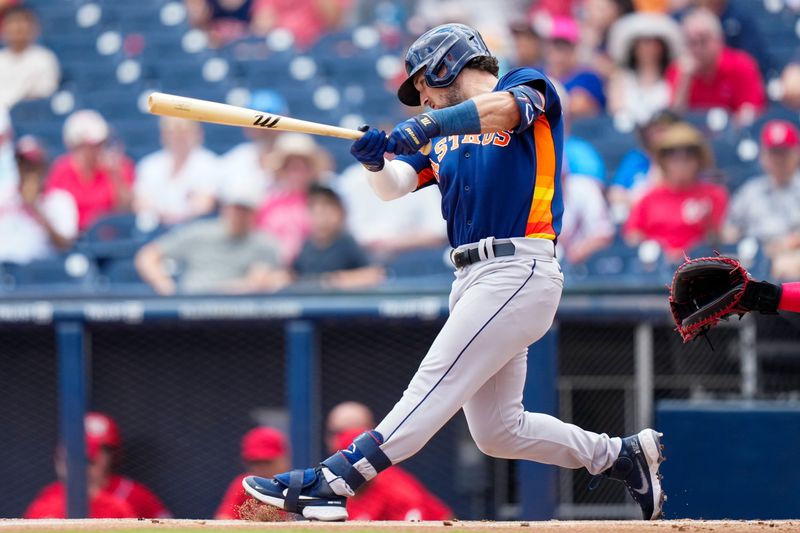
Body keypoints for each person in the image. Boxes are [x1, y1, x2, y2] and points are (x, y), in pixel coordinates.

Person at [243, 23, 666, 522]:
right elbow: (398, 184)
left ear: (449, 62)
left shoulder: (527, 87)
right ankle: (619, 455)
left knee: (434, 383)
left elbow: (502, 111)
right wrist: (376, 163)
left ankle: (335, 480)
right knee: (498, 431)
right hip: (469, 278)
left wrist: (423, 127)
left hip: (518, 268)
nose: (420, 95)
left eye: (423, 81)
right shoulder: (445, 136)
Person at [135, 176, 288, 295]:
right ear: (224, 209)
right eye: (235, 208)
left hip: (239, 315)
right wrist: (163, 284)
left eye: (244, 210)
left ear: (253, 213)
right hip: (189, 308)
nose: (238, 215)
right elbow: (148, 255)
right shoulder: (198, 232)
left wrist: (222, 291)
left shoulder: (264, 243)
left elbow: (258, 283)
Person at [25, 412, 169, 519]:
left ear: (111, 455)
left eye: (89, 459)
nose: (81, 466)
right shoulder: (50, 496)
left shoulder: (131, 495)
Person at [324, 402, 452, 521]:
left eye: (358, 434)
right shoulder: (326, 484)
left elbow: (444, 520)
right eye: (339, 433)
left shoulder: (397, 488)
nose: (348, 442)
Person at [624, 121, 728, 260]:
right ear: (663, 161)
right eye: (672, 157)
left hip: (699, 269)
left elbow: (722, 237)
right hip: (655, 272)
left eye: (688, 156)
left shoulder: (714, 195)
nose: (681, 164)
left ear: (699, 160)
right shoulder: (648, 198)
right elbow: (633, 236)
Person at [725, 120, 800, 279]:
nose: (779, 159)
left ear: (796, 153)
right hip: (753, 256)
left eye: (784, 152)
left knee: (788, 264)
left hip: (791, 257)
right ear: (763, 156)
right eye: (774, 152)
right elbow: (729, 231)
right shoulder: (750, 191)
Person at [666, 7, 765, 123]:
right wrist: (684, 81)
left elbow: (752, 113)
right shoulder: (679, 70)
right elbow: (673, 120)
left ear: (719, 40)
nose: (697, 49)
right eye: (691, 42)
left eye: (703, 40)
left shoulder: (742, 65)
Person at [336, 161, 448, 260]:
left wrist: (396, 243)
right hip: (360, 258)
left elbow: (439, 230)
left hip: (413, 258)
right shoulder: (351, 178)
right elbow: (338, 229)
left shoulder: (420, 175)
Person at [45, 110, 134, 231]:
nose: (95, 150)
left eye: (100, 144)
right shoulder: (61, 170)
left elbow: (126, 212)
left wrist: (115, 175)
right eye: (89, 146)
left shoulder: (119, 166)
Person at [0, 135, 78, 263]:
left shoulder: (59, 200)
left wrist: (35, 208)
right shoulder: (3, 195)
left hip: (40, 270)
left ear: (44, 168)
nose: (26, 171)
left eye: (32, 167)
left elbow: (65, 245)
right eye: (22, 165)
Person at [254, 133, 329, 264]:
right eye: (292, 166)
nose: (298, 172)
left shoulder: (324, 201)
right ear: (282, 169)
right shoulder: (267, 202)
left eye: (303, 166)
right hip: (270, 267)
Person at [291, 185, 384, 290]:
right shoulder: (307, 245)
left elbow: (374, 274)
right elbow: (293, 276)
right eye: (314, 208)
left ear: (339, 212)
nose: (320, 216)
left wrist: (336, 280)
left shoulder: (346, 242)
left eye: (325, 208)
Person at [134, 117, 220, 225]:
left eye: (183, 132)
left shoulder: (210, 163)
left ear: (197, 133)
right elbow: (141, 203)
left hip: (193, 229)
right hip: (155, 228)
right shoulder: (149, 165)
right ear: (163, 135)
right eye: (171, 132)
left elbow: (205, 205)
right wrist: (163, 216)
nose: (177, 137)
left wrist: (175, 217)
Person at [606, 11, 684, 124]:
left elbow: (678, 111)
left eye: (655, 42)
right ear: (634, 47)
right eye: (645, 42)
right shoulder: (620, 78)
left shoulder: (673, 76)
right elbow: (615, 113)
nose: (650, 48)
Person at [607, 109, 682, 222]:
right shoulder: (636, 157)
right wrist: (635, 202)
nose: (658, 135)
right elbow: (615, 193)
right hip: (634, 215)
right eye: (654, 130)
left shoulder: (683, 161)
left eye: (663, 130)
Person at [215, 427, 291, 520]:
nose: (261, 468)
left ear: (283, 460)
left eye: (267, 461)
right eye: (255, 462)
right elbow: (223, 518)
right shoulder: (244, 485)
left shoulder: (297, 486)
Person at [222, 89, 288, 192]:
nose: (264, 127)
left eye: (271, 121)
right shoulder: (236, 160)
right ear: (246, 126)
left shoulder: (299, 157)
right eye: (257, 121)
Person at [542, 17, 606, 118]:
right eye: (555, 47)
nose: (558, 55)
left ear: (575, 49)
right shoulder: (537, 75)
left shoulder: (589, 78)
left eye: (564, 48)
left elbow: (584, 108)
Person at [0, 5, 59, 109]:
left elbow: (44, 94)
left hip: (29, 115)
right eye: (13, 22)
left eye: (22, 22)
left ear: (33, 28)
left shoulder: (44, 58)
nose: (18, 27)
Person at [558, 171, 615, 265]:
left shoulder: (584, 187)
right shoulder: (538, 192)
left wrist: (581, 249)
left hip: (590, 264)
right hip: (554, 263)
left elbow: (604, 233)